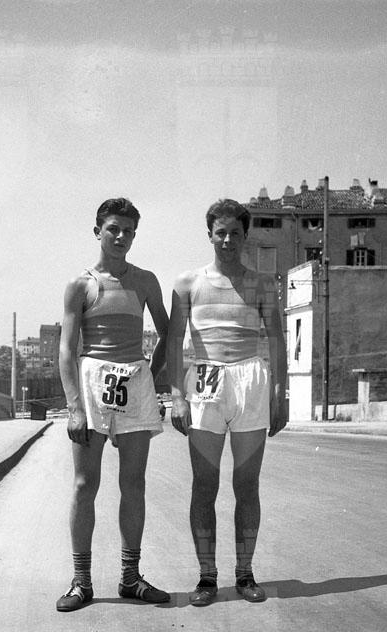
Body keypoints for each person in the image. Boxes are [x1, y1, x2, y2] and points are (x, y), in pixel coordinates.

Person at [167, 199, 287, 607]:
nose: (228, 240)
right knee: (204, 485)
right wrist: (177, 396)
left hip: (249, 379)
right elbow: (174, 341)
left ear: (245, 236)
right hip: (205, 381)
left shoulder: (262, 284)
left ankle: (245, 573)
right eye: (221, 232)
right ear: (210, 235)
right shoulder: (188, 283)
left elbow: (277, 340)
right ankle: (206, 577)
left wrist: (280, 395)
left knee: (247, 484)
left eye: (235, 233)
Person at [56, 198, 170, 612]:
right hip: (92, 384)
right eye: (113, 229)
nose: (121, 237)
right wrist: (74, 407)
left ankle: (130, 577)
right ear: (98, 231)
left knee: (133, 484)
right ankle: (81, 581)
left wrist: (149, 379)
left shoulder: (145, 280)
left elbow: (168, 333)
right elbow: (66, 350)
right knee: (85, 485)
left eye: (129, 231)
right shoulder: (80, 285)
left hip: (133, 380)